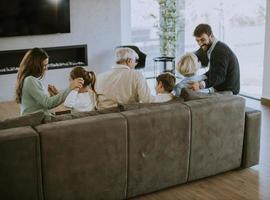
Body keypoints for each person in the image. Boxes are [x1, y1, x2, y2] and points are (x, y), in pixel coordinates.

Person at [15, 47, 84, 116]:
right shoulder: (30, 80)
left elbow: (42, 103)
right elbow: (48, 103)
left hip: (37, 118)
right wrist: (70, 87)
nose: (46, 68)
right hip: (36, 120)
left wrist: (52, 96)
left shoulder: (28, 79)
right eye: (44, 65)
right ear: (35, 65)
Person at [191, 24, 240, 94]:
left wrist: (200, 85)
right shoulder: (214, 48)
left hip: (228, 91)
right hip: (220, 87)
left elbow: (219, 77)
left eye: (202, 40)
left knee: (194, 95)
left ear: (211, 36)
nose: (200, 44)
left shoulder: (220, 51)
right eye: (197, 40)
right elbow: (214, 72)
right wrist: (199, 78)